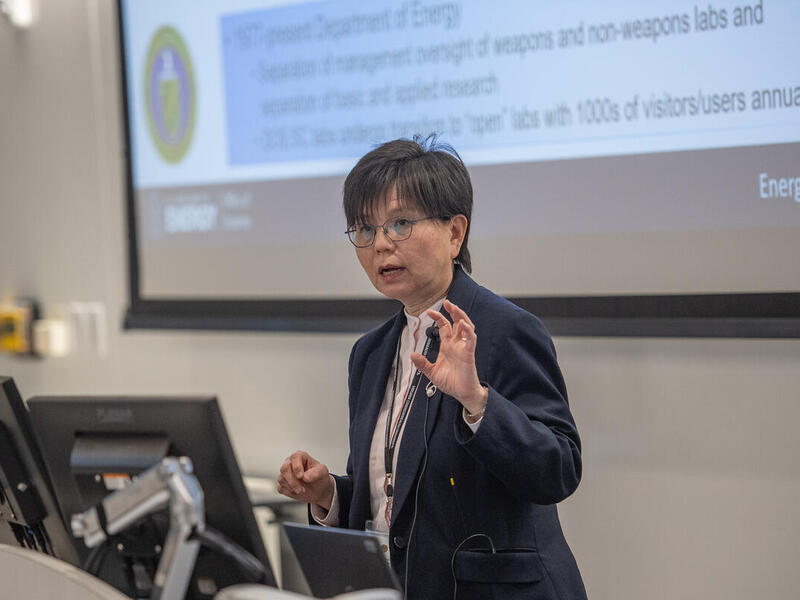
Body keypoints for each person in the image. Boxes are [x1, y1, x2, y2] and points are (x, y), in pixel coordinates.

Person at [277, 135, 586, 600]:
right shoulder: (370, 353)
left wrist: (477, 402)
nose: (380, 244)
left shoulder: (505, 330)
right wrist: (328, 495)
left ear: (455, 233)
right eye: (364, 229)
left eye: (400, 223)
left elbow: (558, 470)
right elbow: (391, 497)